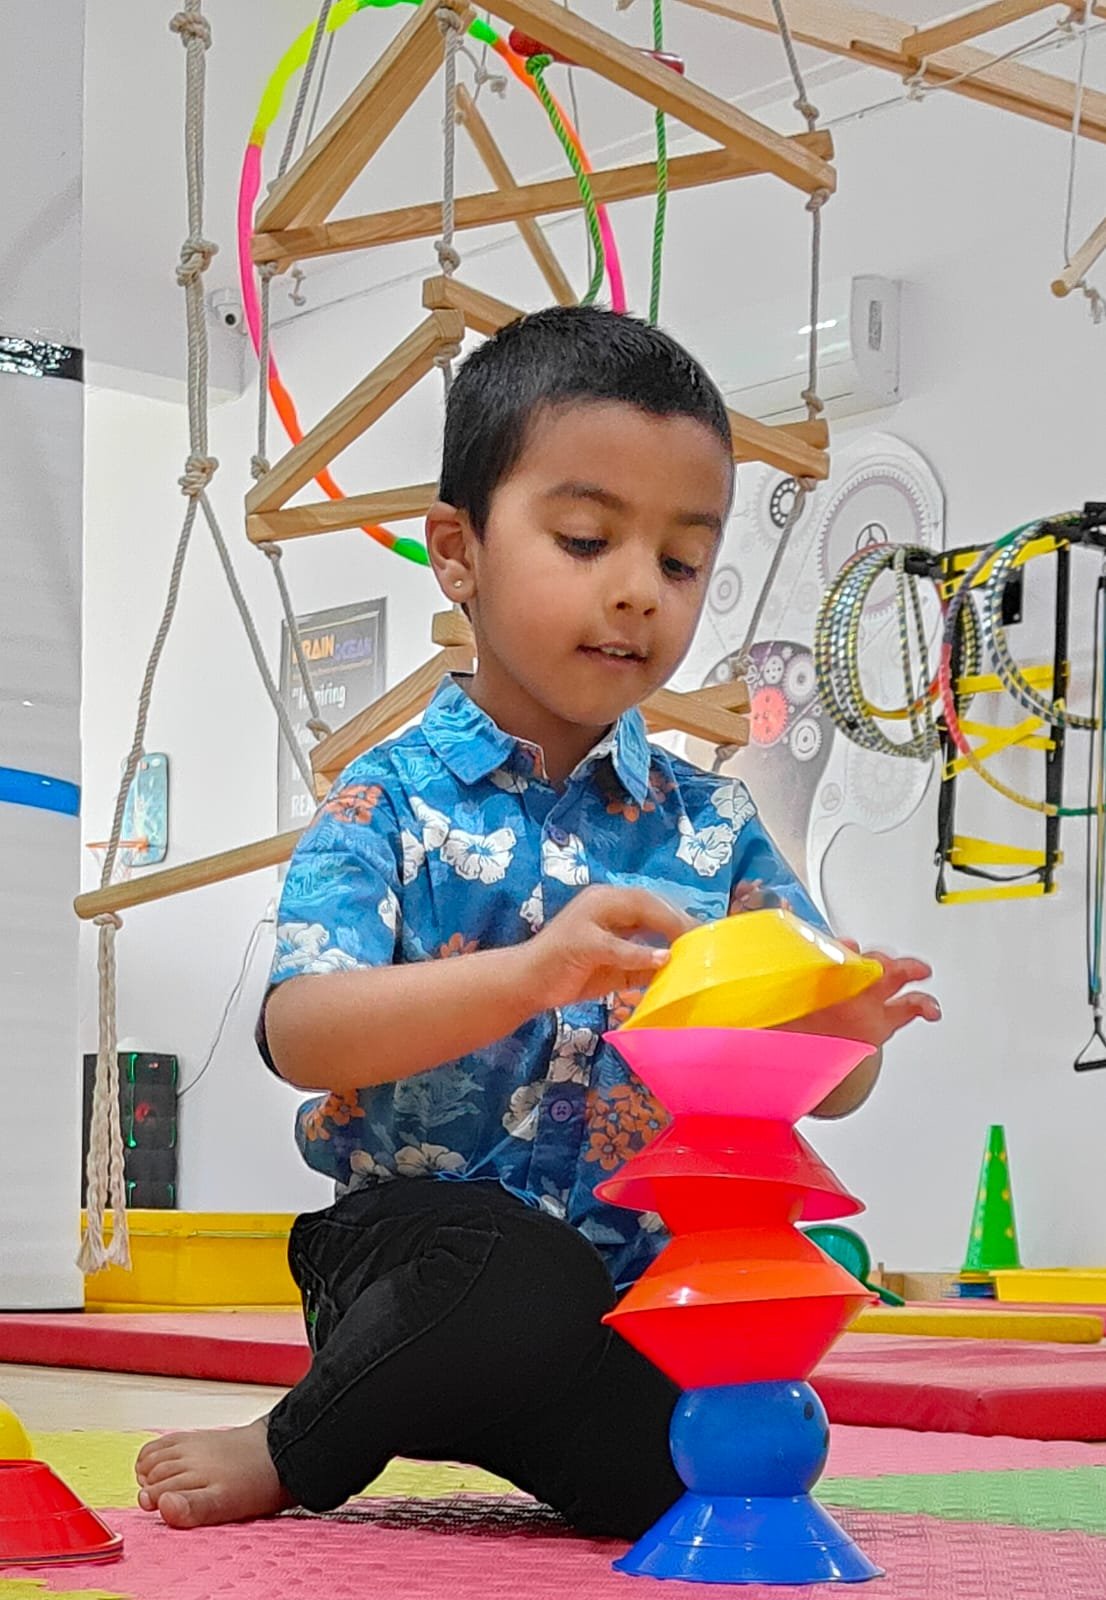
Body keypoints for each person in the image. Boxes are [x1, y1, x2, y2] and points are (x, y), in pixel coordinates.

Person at [136, 307, 938, 1536]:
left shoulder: (714, 827)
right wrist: (531, 972)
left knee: (698, 1465)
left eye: (681, 562)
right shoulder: (387, 798)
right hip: (409, 1268)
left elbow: (829, 1088)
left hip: (606, 1303)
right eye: (583, 539)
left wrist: (837, 1032)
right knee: (506, 1269)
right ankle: (295, 1443)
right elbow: (300, 1031)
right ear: (457, 552)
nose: (636, 592)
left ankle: (521, 1421)